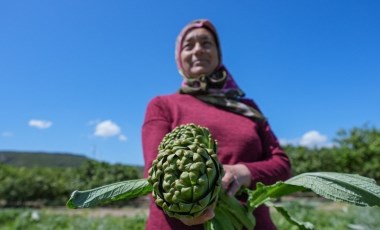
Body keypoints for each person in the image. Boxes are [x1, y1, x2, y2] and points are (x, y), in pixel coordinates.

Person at [142, 19, 291, 230]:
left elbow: (282, 164)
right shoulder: (163, 105)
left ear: (218, 54)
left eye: (206, 43)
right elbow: (154, 172)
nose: (198, 50)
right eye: (189, 45)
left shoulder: (247, 107)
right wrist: (190, 203)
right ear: (179, 57)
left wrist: (243, 172)